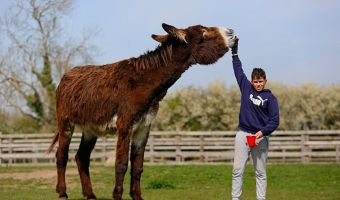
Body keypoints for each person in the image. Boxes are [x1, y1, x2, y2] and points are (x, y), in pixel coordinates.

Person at [230, 37, 280, 200]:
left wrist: (262, 132)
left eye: (261, 81)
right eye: (255, 81)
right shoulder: (246, 87)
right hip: (243, 135)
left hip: (260, 138)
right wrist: (234, 50)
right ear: (252, 81)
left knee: (260, 172)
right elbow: (238, 70)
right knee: (237, 170)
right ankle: (235, 198)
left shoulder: (270, 98)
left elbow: (274, 120)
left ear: (265, 81)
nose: (258, 84)